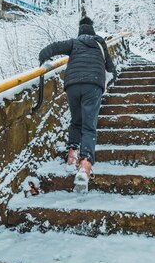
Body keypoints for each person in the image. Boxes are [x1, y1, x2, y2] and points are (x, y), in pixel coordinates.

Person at [38, 16, 117, 192]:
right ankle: (85, 165)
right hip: (93, 85)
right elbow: (110, 67)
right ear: (93, 31)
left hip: (73, 85)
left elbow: (54, 47)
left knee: (76, 121)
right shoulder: (100, 44)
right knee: (89, 126)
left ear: (80, 31)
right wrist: (110, 79)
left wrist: (42, 57)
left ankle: (72, 157)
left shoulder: (74, 43)